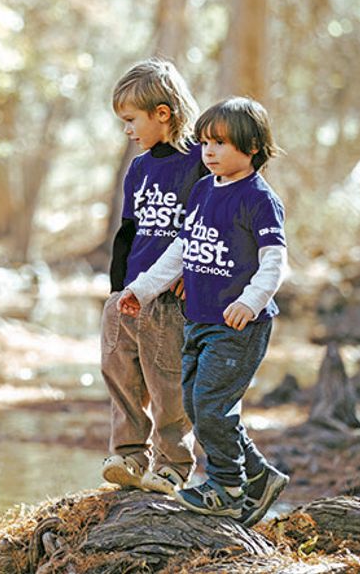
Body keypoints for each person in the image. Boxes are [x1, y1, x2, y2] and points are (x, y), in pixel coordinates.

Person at [117, 96, 289, 527]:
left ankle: (227, 490)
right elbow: (180, 250)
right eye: (205, 143)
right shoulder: (202, 191)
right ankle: (259, 476)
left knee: (212, 405)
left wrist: (249, 302)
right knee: (199, 406)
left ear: (251, 149)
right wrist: (143, 288)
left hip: (238, 326)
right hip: (199, 320)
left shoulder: (258, 199)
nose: (208, 152)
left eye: (220, 145)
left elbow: (274, 261)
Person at [99, 57, 206, 495]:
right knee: (119, 369)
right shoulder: (139, 168)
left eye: (131, 120)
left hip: (172, 298)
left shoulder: (202, 160)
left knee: (167, 382)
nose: (127, 130)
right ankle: (127, 455)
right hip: (131, 293)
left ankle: (173, 465)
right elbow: (128, 231)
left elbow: (217, 219)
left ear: (163, 114)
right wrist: (116, 290)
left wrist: (196, 275)